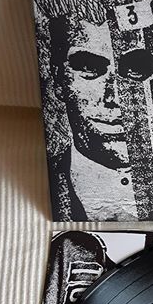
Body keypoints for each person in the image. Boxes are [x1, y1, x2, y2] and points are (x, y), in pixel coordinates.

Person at [47, 15, 138, 221]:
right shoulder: (43, 181)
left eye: (135, 69)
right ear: (59, 79)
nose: (114, 97)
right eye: (89, 68)